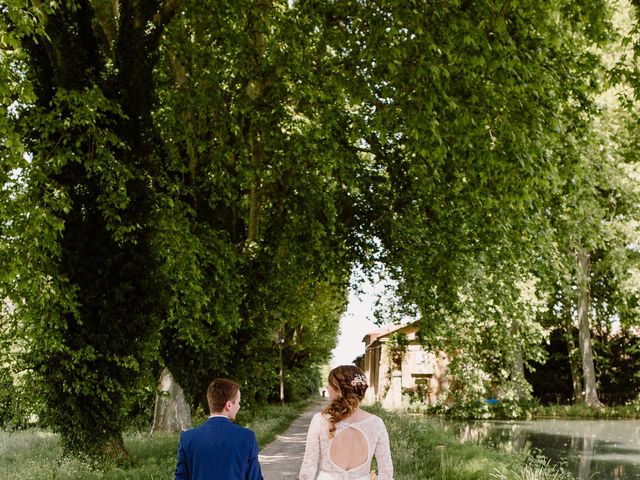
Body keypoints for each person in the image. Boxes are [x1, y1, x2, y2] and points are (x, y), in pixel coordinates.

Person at [299, 365, 394, 480]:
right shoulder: (377, 424)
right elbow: (386, 473)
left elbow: (308, 469)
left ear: (339, 390)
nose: (327, 387)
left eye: (330, 384)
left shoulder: (320, 420)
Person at [175, 378, 264, 480]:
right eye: (238, 402)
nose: (239, 406)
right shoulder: (247, 437)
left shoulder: (187, 438)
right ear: (228, 405)